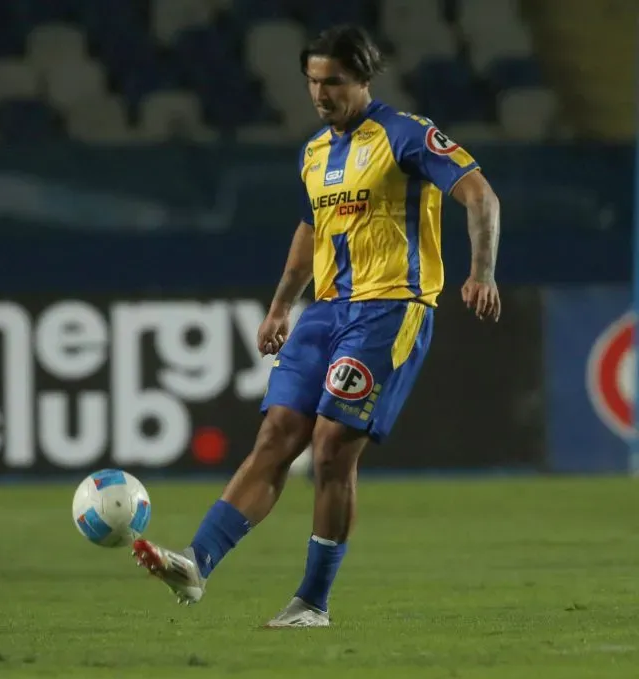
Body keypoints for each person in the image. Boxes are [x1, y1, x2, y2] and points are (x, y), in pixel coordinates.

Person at [131, 25, 501, 628]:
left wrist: (481, 271)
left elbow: (481, 196)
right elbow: (309, 237)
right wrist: (280, 306)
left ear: (363, 79)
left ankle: (312, 601)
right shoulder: (313, 153)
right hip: (325, 310)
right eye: (312, 82)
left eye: (333, 82)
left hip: (392, 307)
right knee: (277, 433)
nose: (321, 94)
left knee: (331, 448)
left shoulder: (406, 134)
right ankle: (196, 564)